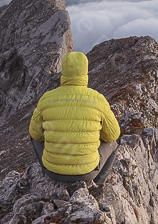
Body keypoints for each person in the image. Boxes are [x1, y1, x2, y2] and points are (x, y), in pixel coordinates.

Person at [29, 51, 120, 185]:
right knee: (115, 140)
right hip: (87, 172)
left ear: (63, 72)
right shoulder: (97, 99)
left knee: (34, 135)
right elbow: (113, 135)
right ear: (85, 72)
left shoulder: (47, 98)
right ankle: (98, 183)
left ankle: (46, 171)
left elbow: (35, 134)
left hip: (52, 172)